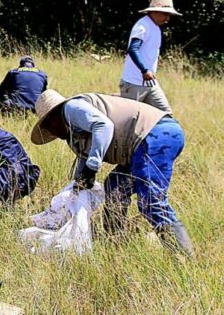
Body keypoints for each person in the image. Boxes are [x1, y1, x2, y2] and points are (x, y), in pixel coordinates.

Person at [30, 89, 194, 257]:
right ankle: (116, 245)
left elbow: (103, 126)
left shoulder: (71, 109)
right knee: (114, 187)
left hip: (157, 135)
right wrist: (77, 188)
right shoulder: (72, 133)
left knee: (151, 202)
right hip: (144, 143)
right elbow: (83, 159)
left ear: (54, 117)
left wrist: (92, 167)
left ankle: (184, 256)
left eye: (49, 126)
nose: (53, 133)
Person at [119, 0, 182, 114]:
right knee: (130, 119)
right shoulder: (142, 26)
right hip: (134, 83)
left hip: (150, 82)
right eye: (165, 14)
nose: (167, 18)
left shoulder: (155, 28)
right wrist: (144, 70)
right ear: (155, 12)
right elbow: (133, 49)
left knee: (165, 114)